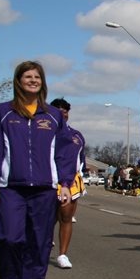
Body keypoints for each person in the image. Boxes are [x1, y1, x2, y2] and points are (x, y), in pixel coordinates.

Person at [0, 61, 74, 279]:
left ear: (42, 82)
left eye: (37, 76)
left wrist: (65, 184)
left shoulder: (53, 115)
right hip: (10, 188)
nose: (33, 80)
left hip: (44, 189)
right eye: (27, 76)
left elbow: (63, 151)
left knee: (38, 244)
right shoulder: (3, 112)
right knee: (9, 240)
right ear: (18, 81)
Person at [51, 98, 85, 269]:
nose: (62, 114)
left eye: (65, 111)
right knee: (46, 219)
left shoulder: (77, 135)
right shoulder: (43, 130)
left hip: (68, 182)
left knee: (66, 217)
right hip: (46, 181)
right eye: (58, 110)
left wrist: (79, 175)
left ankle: (62, 255)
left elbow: (80, 160)